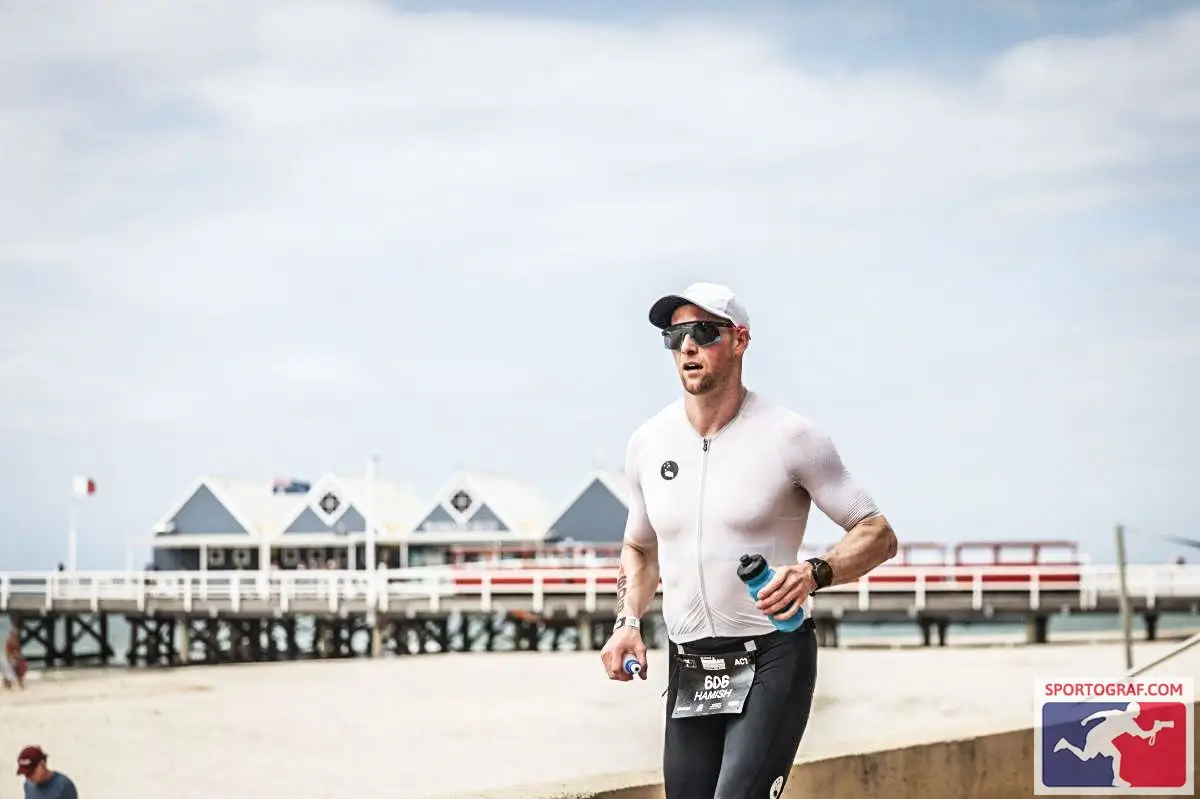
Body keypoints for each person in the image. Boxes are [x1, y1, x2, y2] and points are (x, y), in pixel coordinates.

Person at [600, 282, 898, 799]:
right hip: (691, 662)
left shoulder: (790, 437)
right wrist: (627, 622)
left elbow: (877, 533)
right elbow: (641, 549)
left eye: (703, 333)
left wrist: (813, 573)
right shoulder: (648, 443)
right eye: (675, 336)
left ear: (739, 341)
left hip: (772, 654)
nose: (687, 347)